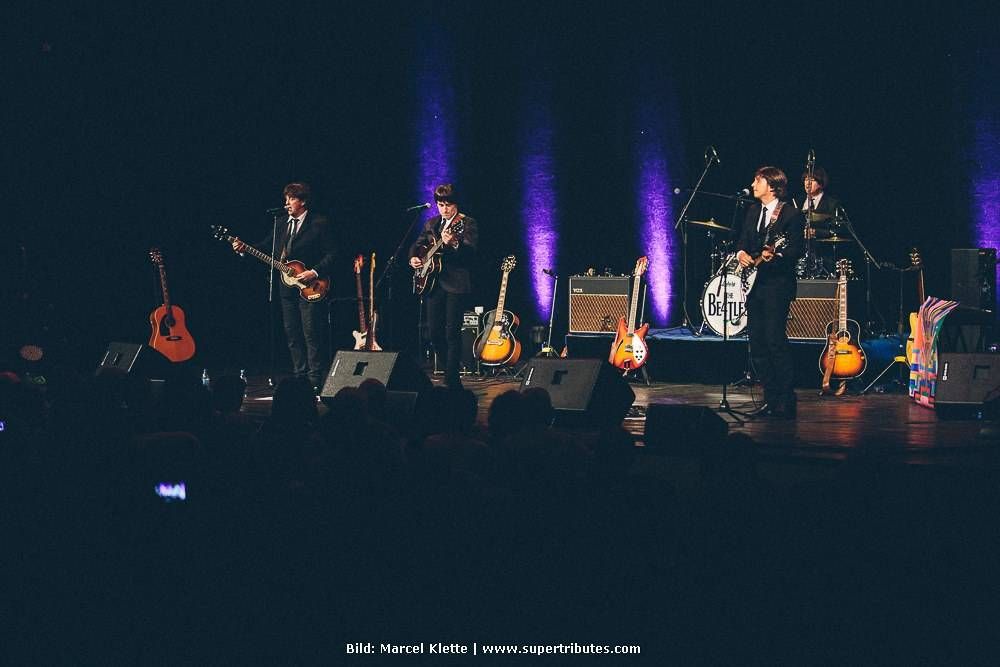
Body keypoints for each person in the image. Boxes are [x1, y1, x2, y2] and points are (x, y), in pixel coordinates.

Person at [233, 182, 336, 392]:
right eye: (286, 199)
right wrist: (245, 248)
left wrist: (314, 272)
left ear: (303, 201)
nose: (287, 203)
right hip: (286, 288)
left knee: (311, 333)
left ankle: (315, 380)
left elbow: (332, 253)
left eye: (292, 199)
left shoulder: (318, 223)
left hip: (311, 286)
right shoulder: (280, 223)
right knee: (292, 334)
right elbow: (266, 247)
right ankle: (300, 377)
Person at [736, 166, 805, 419]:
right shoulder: (753, 211)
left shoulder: (791, 214)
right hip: (755, 284)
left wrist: (776, 255)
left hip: (777, 285)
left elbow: (796, 249)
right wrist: (741, 253)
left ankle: (786, 399)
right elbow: (743, 240)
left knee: (775, 340)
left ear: (772, 185)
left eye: (758, 181)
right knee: (757, 342)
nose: (753, 185)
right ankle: (770, 397)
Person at [408, 184, 479, 389]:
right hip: (433, 284)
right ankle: (451, 370)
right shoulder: (432, 223)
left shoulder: (466, 223)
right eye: (441, 205)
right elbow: (417, 244)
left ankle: (452, 380)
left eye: (448, 205)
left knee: (452, 333)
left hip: (456, 283)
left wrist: (455, 243)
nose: (445, 209)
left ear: (456, 204)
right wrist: (413, 258)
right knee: (434, 333)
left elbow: (471, 253)